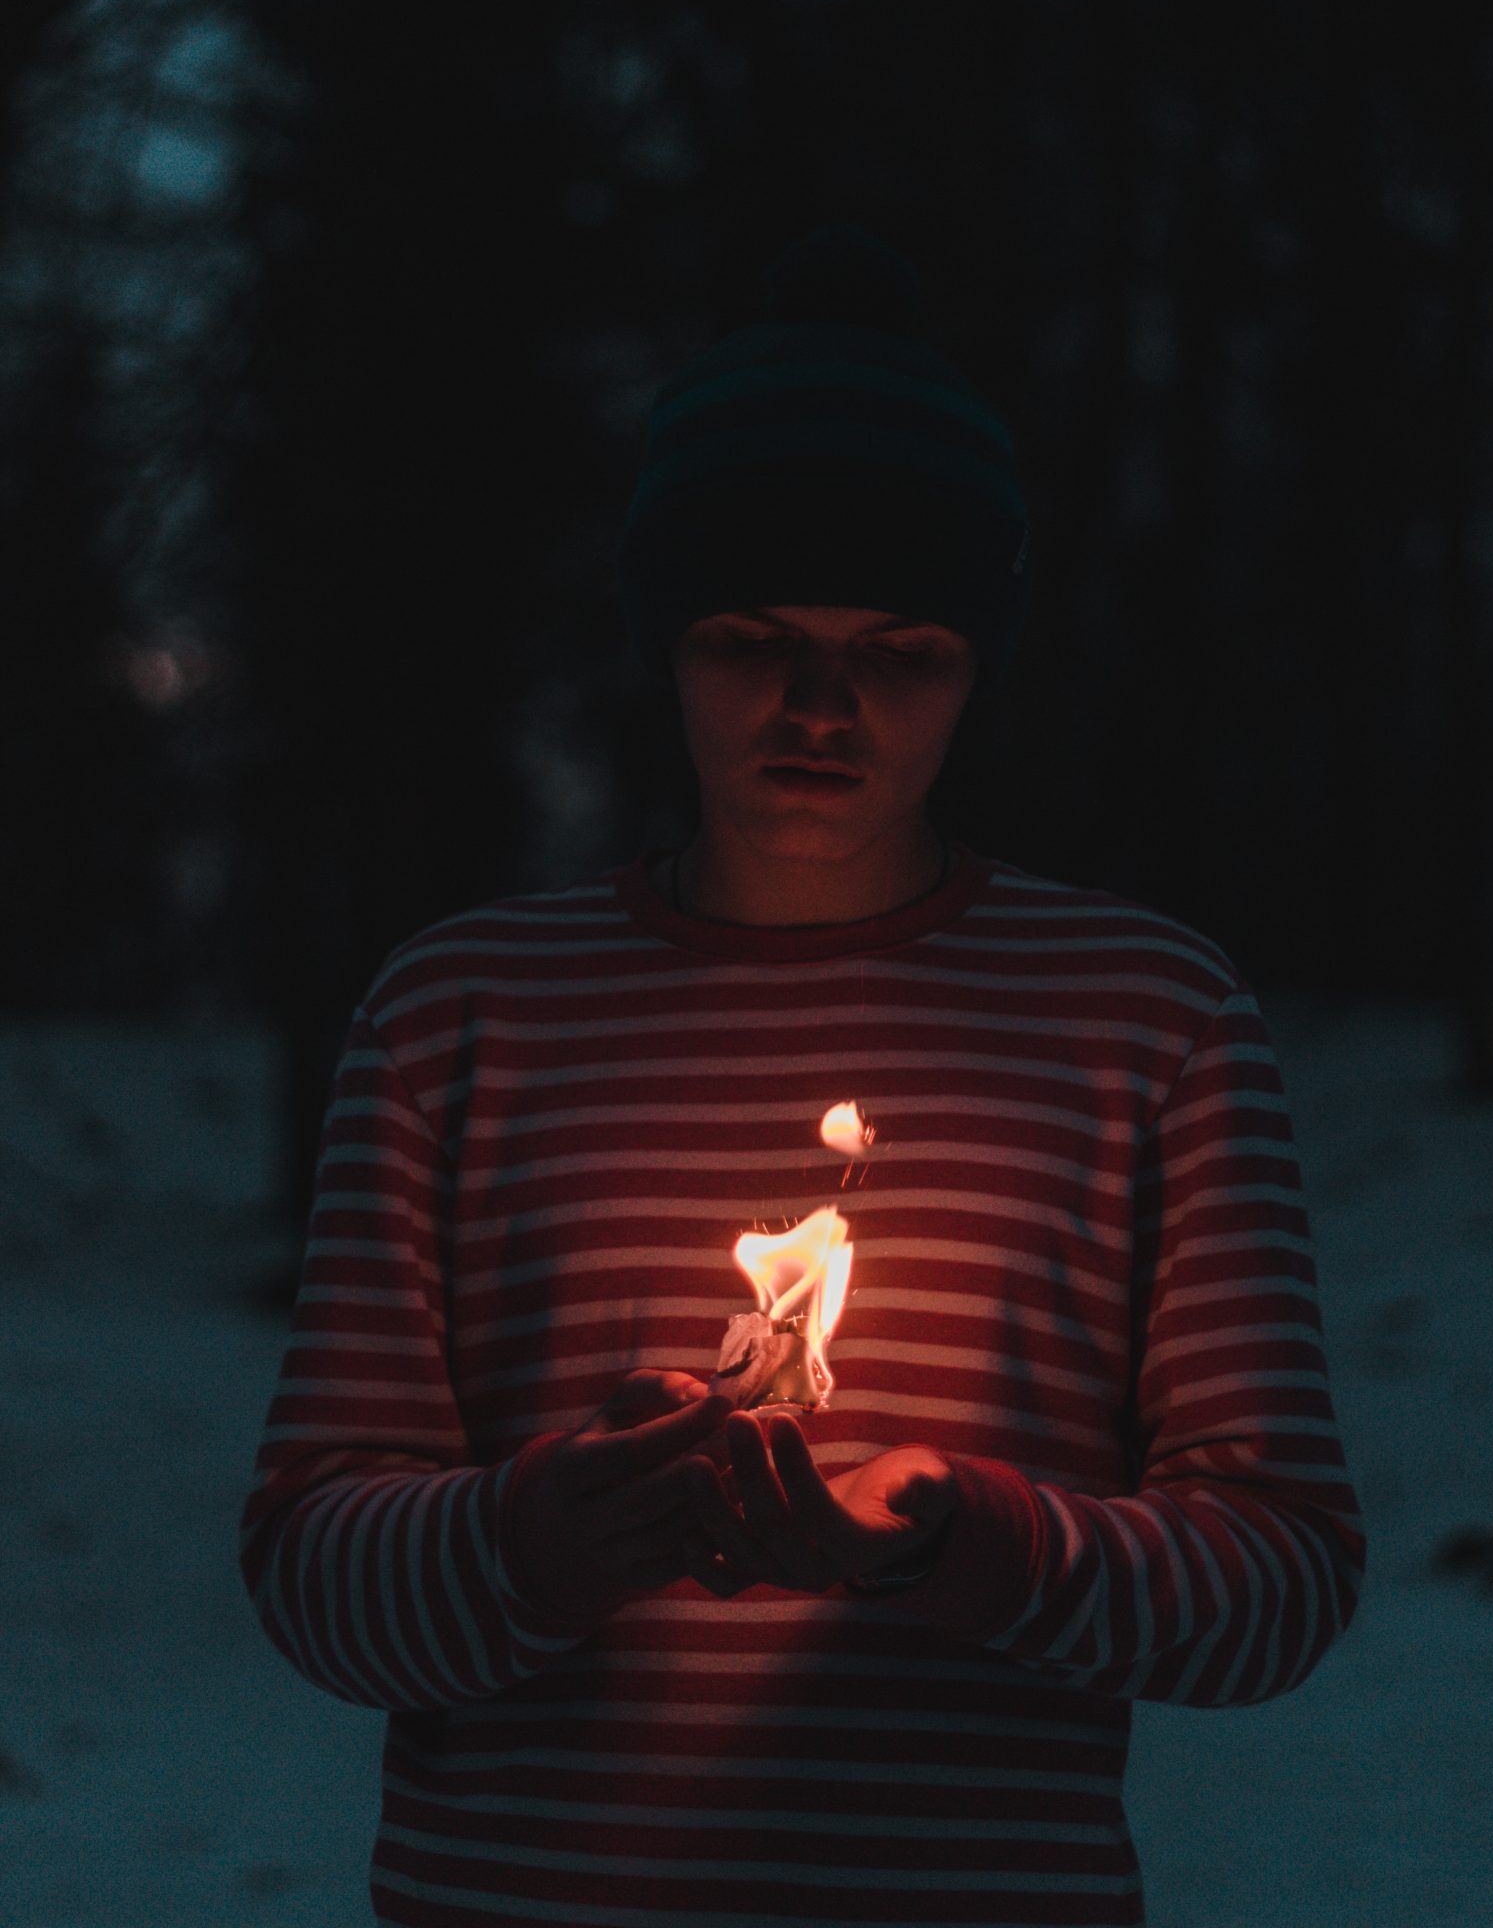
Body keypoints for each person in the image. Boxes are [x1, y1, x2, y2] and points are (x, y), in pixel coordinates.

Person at [239, 223, 1366, 1927]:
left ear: (978, 660)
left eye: (901, 647)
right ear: (661, 637)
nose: (821, 704)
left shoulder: (1145, 1021)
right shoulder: (462, 1016)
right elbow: (314, 1569)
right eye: (754, 633)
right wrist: (544, 1534)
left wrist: (955, 1539)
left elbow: (1276, 1576)